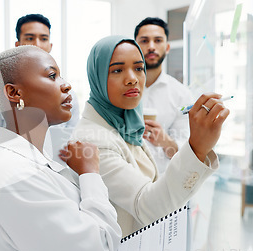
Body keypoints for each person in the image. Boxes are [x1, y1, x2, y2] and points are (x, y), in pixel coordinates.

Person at [0, 45, 121, 251]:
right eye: (52, 76)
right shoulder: (14, 174)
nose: (66, 84)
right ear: (14, 93)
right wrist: (90, 174)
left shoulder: (30, 165)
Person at [71, 35, 230, 236]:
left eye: (139, 68)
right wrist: (197, 148)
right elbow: (147, 206)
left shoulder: (127, 124)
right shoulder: (92, 140)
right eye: (117, 70)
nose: (132, 79)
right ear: (98, 77)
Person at [0, 13, 80, 164]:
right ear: (18, 45)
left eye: (43, 38)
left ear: (50, 45)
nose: (37, 44)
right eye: (30, 38)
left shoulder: (68, 95)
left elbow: (72, 140)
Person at [134, 17, 193, 174]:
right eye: (144, 41)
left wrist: (164, 141)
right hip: (123, 179)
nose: (151, 46)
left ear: (167, 47)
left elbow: (185, 155)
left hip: (162, 183)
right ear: (135, 47)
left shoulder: (182, 95)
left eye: (158, 40)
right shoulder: (118, 88)